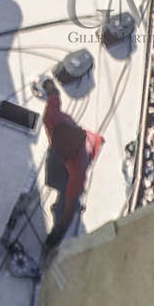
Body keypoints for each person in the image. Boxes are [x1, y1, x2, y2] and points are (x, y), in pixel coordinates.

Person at [41, 81, 103, 252]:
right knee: (53, 175)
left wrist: (58, 232)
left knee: (66, 198)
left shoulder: (78, 166)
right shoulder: (52, 119)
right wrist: (49, 87)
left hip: (81, 154)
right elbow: (54, 100)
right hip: (60, 148)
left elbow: (69, 205)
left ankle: (59, 221)